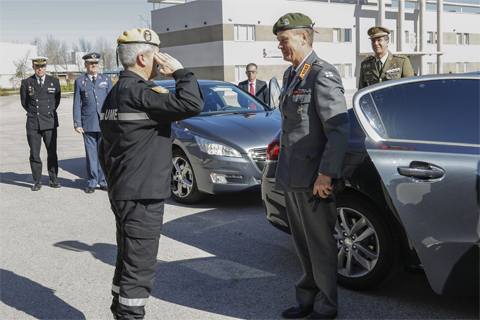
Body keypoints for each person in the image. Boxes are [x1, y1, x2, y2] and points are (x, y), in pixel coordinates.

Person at [98, 28, 204, 320]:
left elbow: (102, 147)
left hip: (124, 190)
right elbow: (192, 103)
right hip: (143, 194)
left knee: (126, 260)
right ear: (143, 56)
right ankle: (129, 316)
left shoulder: (115, 92)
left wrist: (114, 181)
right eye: (158, 54)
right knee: (140, 265)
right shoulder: (142, 92)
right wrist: (181, 72)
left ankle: (119, 312)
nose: (162, 61)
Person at [273, 13, 350, 319]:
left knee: (320, 247)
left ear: (303, 38)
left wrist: (326, 173)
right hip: (292, 174)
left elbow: (339, 130)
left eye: (284, 40)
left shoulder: (322, 74)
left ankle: (327, 306)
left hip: (314, 179)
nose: (280, 46)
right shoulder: (292, 75)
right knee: (303, 245)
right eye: (279, 41)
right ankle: (307, 297)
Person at [20, 57, 61, 191]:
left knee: (52, 153)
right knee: (35, 154)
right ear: (33, 67)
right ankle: (37, 181)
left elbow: (56, 101)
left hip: (49, 121)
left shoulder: (54, 81)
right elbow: (25, 103)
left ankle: (53, 179)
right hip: (33, 123)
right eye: (37, 66)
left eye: (42, 66)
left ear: (46, 66)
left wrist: (47, 112)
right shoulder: (27, 83)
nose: (40, 68)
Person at [73, 52, 112, 194]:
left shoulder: (106, 80)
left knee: (103, 153)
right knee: (91, 155)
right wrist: (77, 123)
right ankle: (91, 181)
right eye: (91, 63)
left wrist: (112, 121)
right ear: (86, 65)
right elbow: (77, 104)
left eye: (95, 63)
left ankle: (103, 181)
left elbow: (111, 101)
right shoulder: (79, 81)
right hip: (88, 123)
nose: (93, 65)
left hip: (104, 123)